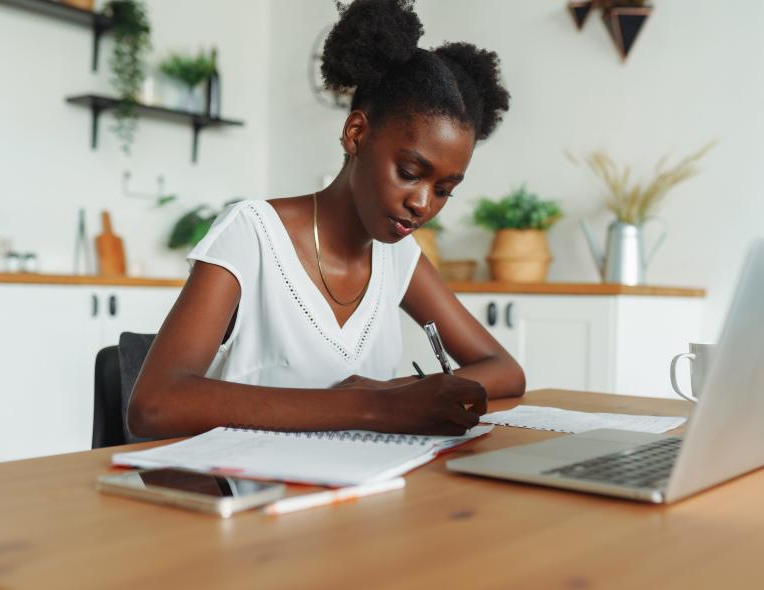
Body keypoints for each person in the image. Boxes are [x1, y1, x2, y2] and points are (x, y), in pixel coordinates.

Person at [128, 0, 525, 439]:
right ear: (356, 134)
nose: (423, 204)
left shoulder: (398, 258)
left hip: (359, 490)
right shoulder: (252, 234)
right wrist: (370, 407)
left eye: (445, 190)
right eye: (410, 173)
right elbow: (155, 404)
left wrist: (397, 392)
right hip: (254, 496)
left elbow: (505, 370)